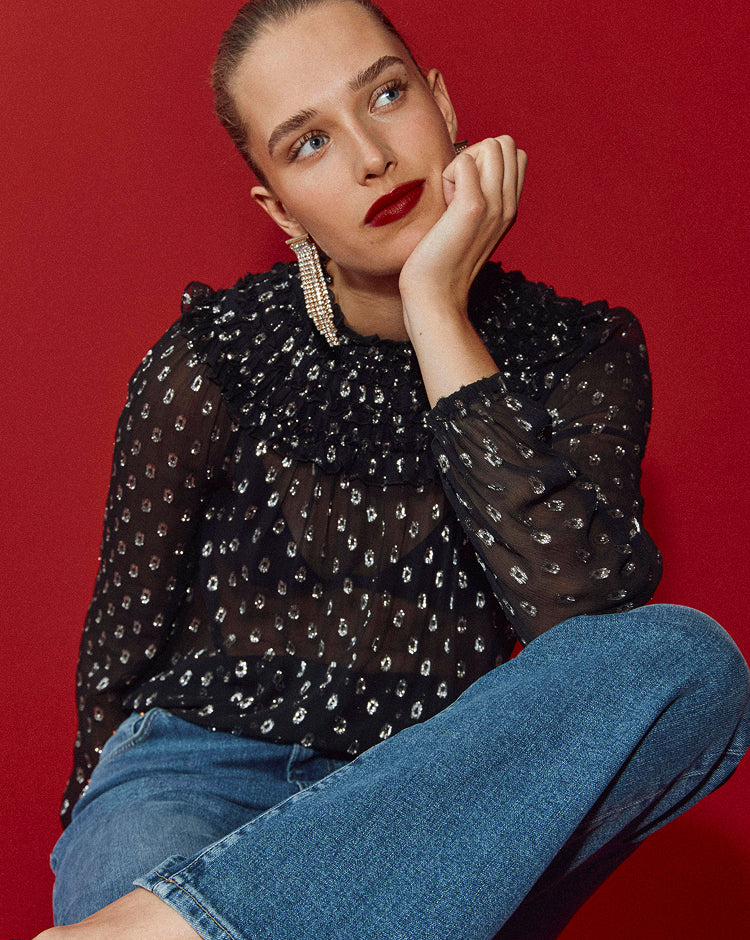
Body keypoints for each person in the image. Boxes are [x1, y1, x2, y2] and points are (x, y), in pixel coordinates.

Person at [37, 1, 750, 938]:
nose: (372, 154)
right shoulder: (211, 358)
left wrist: (438, 310)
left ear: (442, 103)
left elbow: (589, 638)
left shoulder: (580, 350)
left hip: (439, 804)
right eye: (308, 144)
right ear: (277, 207)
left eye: (386, 93)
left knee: (688, 663)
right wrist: (94, 827)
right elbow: (120, 645)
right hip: (193, 773)